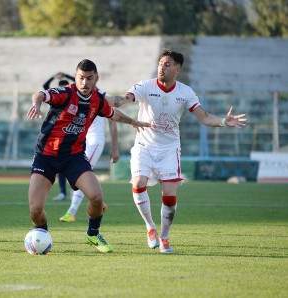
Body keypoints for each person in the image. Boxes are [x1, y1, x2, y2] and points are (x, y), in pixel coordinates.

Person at [105, 49, 247, 253]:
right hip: (144, 146)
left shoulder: (185, 92)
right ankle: (150, 227)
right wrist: (100, 97)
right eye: (161, 63)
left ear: (178, 69)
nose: (162, 67)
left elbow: (205, 118)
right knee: (138, 184)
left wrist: (224, 121)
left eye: (168, 64)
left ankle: (164, 237)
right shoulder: (145, 85)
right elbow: (122, 101)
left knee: (170, 198)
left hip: (169, 149)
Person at [26, 59, 150, 253]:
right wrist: (36, 104)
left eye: (89, 78)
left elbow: (113, 114)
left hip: (74, 157)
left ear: (96, 79)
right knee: (35, 209)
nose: (85, 83)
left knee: (97, 198)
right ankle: (41, 234)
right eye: (81, 78)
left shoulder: (98, 100)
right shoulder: (65, 93)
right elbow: (40, 94)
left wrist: (133, 121)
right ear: (75, 77)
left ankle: (92, 235)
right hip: (46, 156)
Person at [59, 114, 120, 222]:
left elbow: (112, 122)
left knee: (81, 174)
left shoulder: (105, 98)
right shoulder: (80, 97)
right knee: (77, 173)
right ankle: (97, 200)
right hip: (81, 140)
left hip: (94, 141)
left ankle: (71, 212)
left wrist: (115, 148)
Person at [42, 72, 76, 201]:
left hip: (72, 133)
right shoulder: (57, 97)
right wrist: (54, 77)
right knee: (61, 167)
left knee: (72, 165)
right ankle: (63, 193)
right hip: (58, 134)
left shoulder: (74, 96)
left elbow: (77, 83)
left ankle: (74, 191)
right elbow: (44, 87)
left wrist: (66, 76)